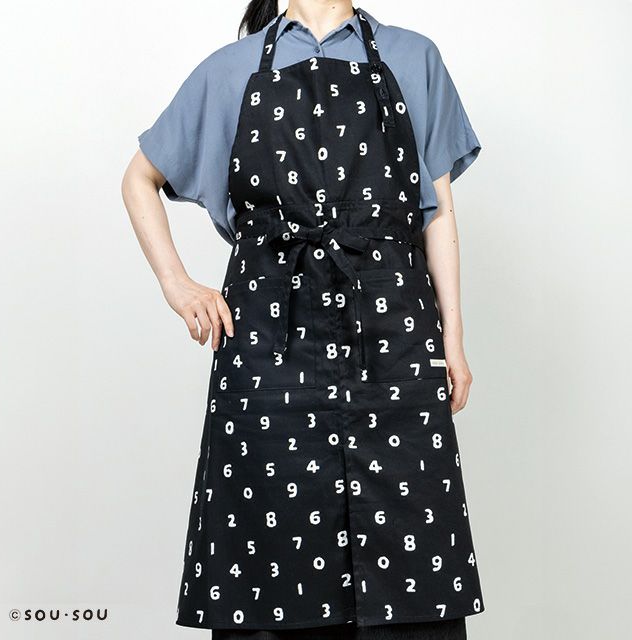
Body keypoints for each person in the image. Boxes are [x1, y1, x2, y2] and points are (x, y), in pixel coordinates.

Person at [121, 1, 485, 638]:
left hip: (392, 332)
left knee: (410, 559)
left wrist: (452, 339)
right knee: (267, 559)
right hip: (271, 338)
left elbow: (438, 210)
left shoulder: (412, 56)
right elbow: (139, 178)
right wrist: (177, 285)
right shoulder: (233, 68)